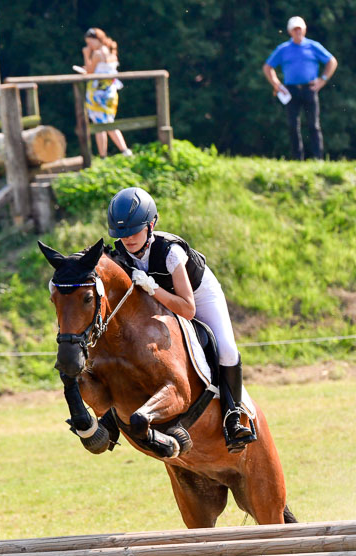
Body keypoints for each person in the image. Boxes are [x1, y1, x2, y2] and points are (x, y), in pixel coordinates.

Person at [107, 187, 255, 452]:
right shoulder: (119, 254)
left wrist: (152, 289)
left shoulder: (170, 252)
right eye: (121, 234)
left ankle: (233, 417)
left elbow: (187, 309)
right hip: (159, 298)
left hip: (197, 295)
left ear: (151, 225)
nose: (127, 239)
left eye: (134, 231)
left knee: (227, 349)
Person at [263, 16, 337, 160]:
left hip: (310, 89)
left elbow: (331, 61)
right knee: (293, 126)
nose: (298, 32)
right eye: (295, 29)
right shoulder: (283, 49)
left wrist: (323, 80)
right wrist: (276, 85)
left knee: (313, 125)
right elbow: (268, 67)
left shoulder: (313, 46)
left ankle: (318, 158)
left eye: (300, 29)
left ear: (304, 29)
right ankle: (297, 158)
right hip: (291, 90)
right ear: (290, 31)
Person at [82, 27, 132, 159]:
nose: (89, 46)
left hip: (98, 94)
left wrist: (86, 55)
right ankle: (124, 151)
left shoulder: (98, 54)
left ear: (96, 39)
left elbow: (89, 72)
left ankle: (105, 156)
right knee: (108, 122)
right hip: (110, 93)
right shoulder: (111, 52)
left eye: (90, 42)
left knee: (101, 125)